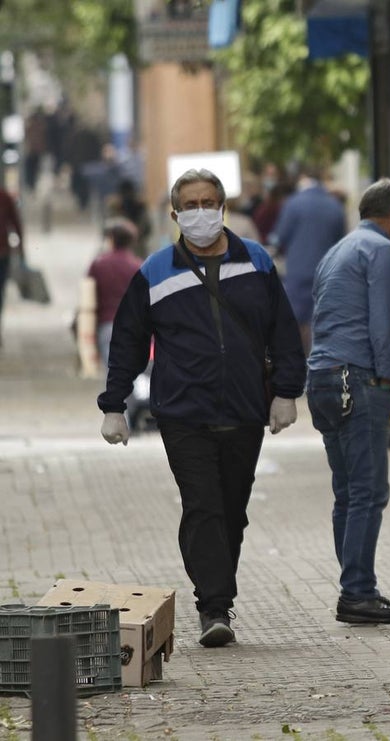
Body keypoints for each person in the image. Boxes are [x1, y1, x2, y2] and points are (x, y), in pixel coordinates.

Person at [97, 168, 306, 648]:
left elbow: (283, 331)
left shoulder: (255, 262)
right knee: (203, 504)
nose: (199, 213)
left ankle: (217, 595)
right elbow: (128, 342)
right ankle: (214, 606)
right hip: (182, 412)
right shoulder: (154, 271)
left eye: (207, 202)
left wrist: (286, 393)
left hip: (245, 408)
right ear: (174, 214)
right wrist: (114, 405)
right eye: (188, 205)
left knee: (232, 509)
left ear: (223, 206)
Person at [306, 178, 390, 626]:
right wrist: (387, 379)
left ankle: (356, 586)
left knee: (347, 492)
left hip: (323, 379)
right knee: (369, 491)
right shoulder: (382, 250)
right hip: (358, 378)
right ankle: (358, 593)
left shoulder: (336, 252)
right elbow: (384, 321)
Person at [271, 167, 346, 352]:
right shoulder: (335, 205)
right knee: (321, 321)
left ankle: (299, 363)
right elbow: (341, 241)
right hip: (327, 273)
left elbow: (278, 238)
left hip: (298, 272)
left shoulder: (293, 204)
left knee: (296, 321)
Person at [87, 218, 142, 366]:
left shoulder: (99, 264)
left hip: (108, 327)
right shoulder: (139, 267)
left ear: (111, 239)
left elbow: (88, 296)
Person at [0, 183, 23, 348]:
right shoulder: (5, 197)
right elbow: (16, 224)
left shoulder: (5, 197)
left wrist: (22, 250)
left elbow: (15, 223)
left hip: (2, 254)